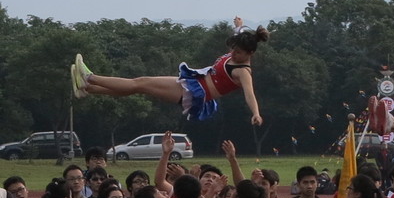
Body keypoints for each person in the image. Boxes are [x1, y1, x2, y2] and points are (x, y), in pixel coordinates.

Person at [74, 19, 269, 125]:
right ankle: (88, 89)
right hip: (192, 85)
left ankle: (89, 76)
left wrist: (256, 113)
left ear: (250, 54)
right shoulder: (239, 51)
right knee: (139, 87)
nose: (233, 54)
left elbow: (249, 94)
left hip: (192, 92)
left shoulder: (243, 72)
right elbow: (239, 37)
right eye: (233, 49)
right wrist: (238, 26)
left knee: (140, 82)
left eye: (238, 52)